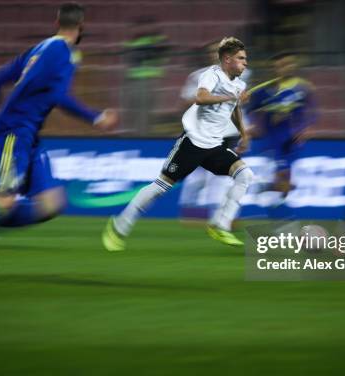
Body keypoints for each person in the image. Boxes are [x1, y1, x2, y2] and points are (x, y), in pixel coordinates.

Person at [0, 2, 117, 279]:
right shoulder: (65, 53)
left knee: (52, 203)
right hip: (14, 133)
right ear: (81, 26)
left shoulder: (40, 49)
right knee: (5, 201)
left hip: (27, 135)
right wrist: (96, 118)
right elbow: (57, 97)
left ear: (56, 22)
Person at [103, 37, 254, 251]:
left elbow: (235, 108)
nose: (245, 62)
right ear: (227, 59)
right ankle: (120, 224)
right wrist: (229, 96)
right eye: (241, 58)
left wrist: (244, 134)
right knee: (160, 186)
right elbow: (201, 98)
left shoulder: (239, 83)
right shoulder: (210, 75)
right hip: (193, 142)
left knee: (245, 175)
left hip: (216, 145)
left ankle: (221, 224)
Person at [178, 41, 252, 220]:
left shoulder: (243, 74)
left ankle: (216, 216)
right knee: (196, 177)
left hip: (227, 133)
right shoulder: (198, 76)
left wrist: (245, 132)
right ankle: (188, 213)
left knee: (219, 177)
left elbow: (243, 102)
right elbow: (188, 100)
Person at [244, 52, 317, 209]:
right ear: (275, 68)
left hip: (295, 140)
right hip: (276, 140)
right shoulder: (264, 90)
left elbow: (312, 110)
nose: (287, 67)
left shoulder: (303, 87)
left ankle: (272, 193)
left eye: (290, 63)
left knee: (287, 179)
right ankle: (278, 205)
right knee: (283, 175)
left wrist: (308, 128)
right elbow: (248, 107)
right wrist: (253, 125)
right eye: (282, 65)